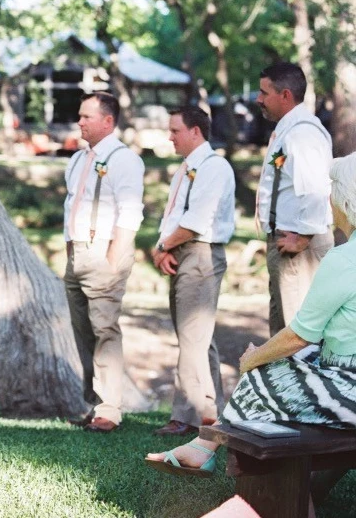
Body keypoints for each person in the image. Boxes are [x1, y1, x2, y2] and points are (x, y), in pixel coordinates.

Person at [146, 153, 356, 490]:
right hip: (343, 373)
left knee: (262, 372)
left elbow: (298, 335)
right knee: (285, 364)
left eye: (332, 190)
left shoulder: (344, 260)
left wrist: (252, 359)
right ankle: (208, 448)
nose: (328, 199)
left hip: (350, 387)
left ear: (346, 199)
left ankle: (211, 453)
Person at [63, 92, 144, 433]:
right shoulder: (80, 159)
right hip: (75, 253)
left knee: (105, 329)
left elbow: (130, 211)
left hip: (103, 250)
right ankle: (94, 403)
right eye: (79, 116)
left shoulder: (124, 159)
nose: (79, 121)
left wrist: (115, 254)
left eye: (86, 116)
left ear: (108, 121)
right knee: (83, 331)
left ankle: (110, 410)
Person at [152, 107, 235, 436]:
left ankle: (191, 417)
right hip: (181, 252)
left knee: (192, 338)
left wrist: (162, 247)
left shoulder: (214, 168)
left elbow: (196, 222)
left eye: (175, 130)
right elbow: (172, 219)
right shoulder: (185, 169)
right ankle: (216, 413)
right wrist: (164, 249)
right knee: (198, 338)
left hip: (200, 254)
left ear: (196, 131)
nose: (169, 137)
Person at [255, 62, 333, 335]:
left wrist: (302, 238)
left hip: (300, 246)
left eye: (264, 93)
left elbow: (315, 189)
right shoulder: (290, 129)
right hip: (289, 241)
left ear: (285, 95)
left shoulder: (302, 133)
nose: (258, 99)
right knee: (281, 335)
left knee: (298, 337)